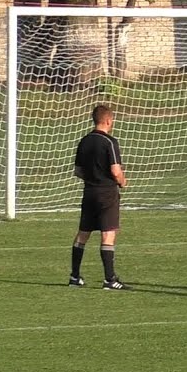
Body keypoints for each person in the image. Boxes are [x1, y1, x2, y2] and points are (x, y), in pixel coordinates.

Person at [70, 104, 129, 290]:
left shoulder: (84, 141)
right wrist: (122, 181)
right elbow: (115, 170)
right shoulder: (110, 142)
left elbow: (78, 171)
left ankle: (74, 276)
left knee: (83, 234)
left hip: (89, 192)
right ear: (108, 120)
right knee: (108, 234)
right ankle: (109, 279)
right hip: (107, 194)